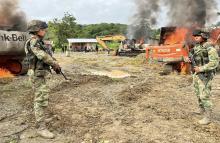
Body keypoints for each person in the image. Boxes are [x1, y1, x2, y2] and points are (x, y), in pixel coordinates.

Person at [25, 20, 61, 138]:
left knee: (42, 98)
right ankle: (41, 128)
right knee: (40, 100)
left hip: (39, 74)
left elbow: (45, 55)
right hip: (37, 75)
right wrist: (54, 63)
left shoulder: (38, 41)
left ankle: (42, 119)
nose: (45, 31)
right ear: (37, 30)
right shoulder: (34, 42)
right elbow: (42, 55)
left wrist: (53, 63)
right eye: (43, 29)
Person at [190, 29, 219, 125]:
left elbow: (214, 63)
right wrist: (188, 60)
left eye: (197, 36)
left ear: (204, 36)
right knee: (198, 93)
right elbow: (194, 58)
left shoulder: (209, 47)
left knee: (204, 95)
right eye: (194, 36)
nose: (195, 38)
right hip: (197, 74)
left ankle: (208, 117)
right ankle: (201, 109)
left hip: (205, 75)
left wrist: (201, 68)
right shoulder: (197, 47)